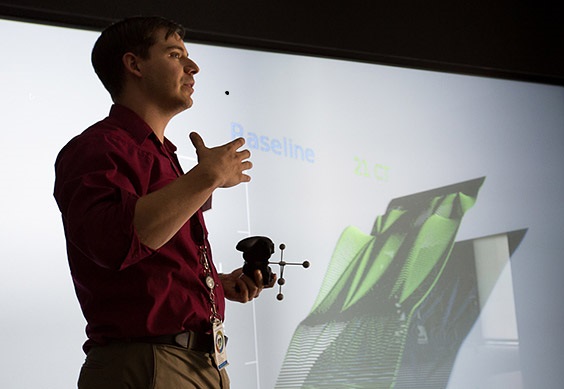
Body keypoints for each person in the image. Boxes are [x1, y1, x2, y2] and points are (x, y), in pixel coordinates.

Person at [53, 16, 273, 388]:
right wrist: (207, 177)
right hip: (149, 365)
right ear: (134, 65)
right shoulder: (96, 148)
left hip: (194, 365)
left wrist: (214, 285)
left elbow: (147, 263)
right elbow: (115, 242)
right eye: (175, 54)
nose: (193, 67)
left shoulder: (163, 157)